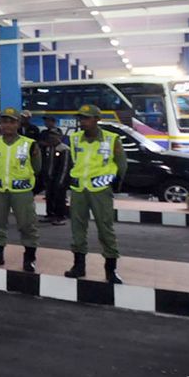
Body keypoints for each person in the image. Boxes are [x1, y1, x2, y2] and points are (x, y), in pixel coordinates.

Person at [65, 104, 127, 283]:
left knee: (105, 228)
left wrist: (115, 184)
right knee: (77, 229)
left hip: (100, 190)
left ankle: (110, 269)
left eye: (86, 118)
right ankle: (79, 266)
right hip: (79, 190)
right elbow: (72, 161)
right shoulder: (75, 138)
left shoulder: (111, 139)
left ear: (97, 119)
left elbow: (121, 164)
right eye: (81, 118)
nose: (82, 121)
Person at [0, 108, 42, 271]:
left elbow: (37, 167)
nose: (8, 125)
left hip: (21, 192)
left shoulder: (29, 144)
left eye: (12, 122)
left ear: (18, 124)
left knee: (27, 224)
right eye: (4, 121)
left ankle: (29, 258)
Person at [39, 128, 71, 225]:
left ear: (60, 136)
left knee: (59, 197)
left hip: (60, 178)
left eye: (54, 135)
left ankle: (60, 216)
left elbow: (65, 166)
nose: (52, 137)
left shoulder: (64, 149)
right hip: (50, 177)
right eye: (51, 135)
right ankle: (50, 215)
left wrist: (61, 180)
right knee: (49, 196)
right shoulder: (50, 148)